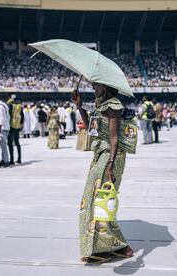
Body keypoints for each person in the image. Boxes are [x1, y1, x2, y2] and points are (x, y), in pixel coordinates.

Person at [73, 83, 133, 264]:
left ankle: (101, 249)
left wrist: (110, 165)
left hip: (109, 158)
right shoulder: (102, 106)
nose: (93, 89)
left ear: (105, 88)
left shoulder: (113, 106)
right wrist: (79, 106)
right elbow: (92, 129)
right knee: (98, 202)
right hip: (101, 156)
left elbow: (114, 139)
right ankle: (114, 245)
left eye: (96, 86)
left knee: (98, 201)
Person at [7, 98, 24, 165]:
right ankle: (19, 158)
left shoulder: (11, 106)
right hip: (18, 126)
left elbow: (9, 116)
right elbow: (22, 116)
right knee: (17, 143)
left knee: (10, 143)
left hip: (12, 126)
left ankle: (11, 160)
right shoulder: (19, 107)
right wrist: (21, 125)